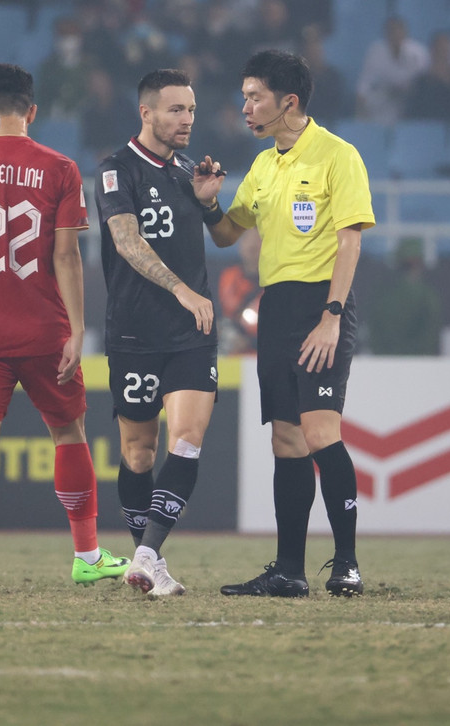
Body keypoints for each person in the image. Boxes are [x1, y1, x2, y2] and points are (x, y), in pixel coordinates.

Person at [0, 63, 129, 593]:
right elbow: (67, 256)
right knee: (69, 434)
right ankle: (87, 555)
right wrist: (77, 329)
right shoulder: (60, 168)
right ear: (32, 111)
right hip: (45, 333)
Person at [205, 50, 377, 598]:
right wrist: (208, 205)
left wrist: (332, 316)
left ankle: (347, 563)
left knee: (321, 432)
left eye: (254, 97)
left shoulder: (338, 155)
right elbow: (227, 234)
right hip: (276, 306)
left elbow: (350, 241)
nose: (245, 108)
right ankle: (288, 571)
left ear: (289, 102)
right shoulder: (262, 166)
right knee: (286, 439)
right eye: (244, 97)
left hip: (321, 304)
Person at [95, 68, 225, 596]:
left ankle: (145, 557)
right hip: (134, 333)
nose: (187, 119)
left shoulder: (189, 171)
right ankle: (151, 559)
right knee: (139, 453)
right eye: (176, 109)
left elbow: (222, 237)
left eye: (191, 109)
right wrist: (181, 289)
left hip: (191, 333)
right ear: (146, 112)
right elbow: (127, 242)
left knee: (187, 440)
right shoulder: (115, 170)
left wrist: (209, 201)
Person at [357, 16, 430, 122]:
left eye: (398, 31)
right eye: (391, 32)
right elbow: (365, 83)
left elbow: (426, 82)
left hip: (411, 100)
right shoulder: (376, 52)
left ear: (405, 33)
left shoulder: (419, 53)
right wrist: (360, 109)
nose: (395, 35)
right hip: (385, 98)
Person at [218, 228, 262, 355]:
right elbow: (217, 313)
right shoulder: (228, 276)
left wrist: (249, 342)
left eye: (258, 239)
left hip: (260, 355)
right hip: (229, 355)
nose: (252, 245)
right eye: (247, 239)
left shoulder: (276, 283)